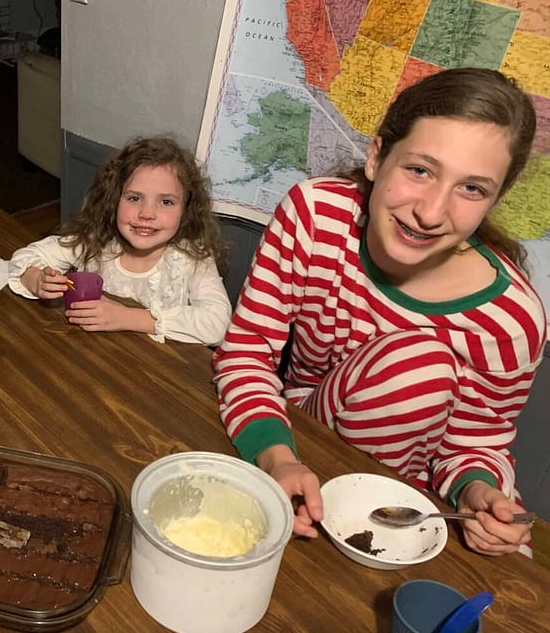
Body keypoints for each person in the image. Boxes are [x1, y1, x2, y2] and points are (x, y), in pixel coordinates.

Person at [213, 68, 546, 556]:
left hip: (405, 501)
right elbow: (246, 353)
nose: (432, 212)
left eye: (471, 189)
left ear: (494, 200)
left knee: (421, 365)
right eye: (420, 170)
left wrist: (479, 495)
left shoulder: (512, 321)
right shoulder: (314, 215)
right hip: (304, 437)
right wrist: (277, 459)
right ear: (376, 157)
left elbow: (476, 447)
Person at [7, 135, 232, 345]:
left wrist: (127, 317)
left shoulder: (192, 258)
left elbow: (217, 324)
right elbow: (26, 257)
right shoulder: (98, 241)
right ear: (114, 201)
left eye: (166, 202)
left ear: (186, 209)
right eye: (134, 198)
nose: (146, 213)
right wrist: (37, 280)